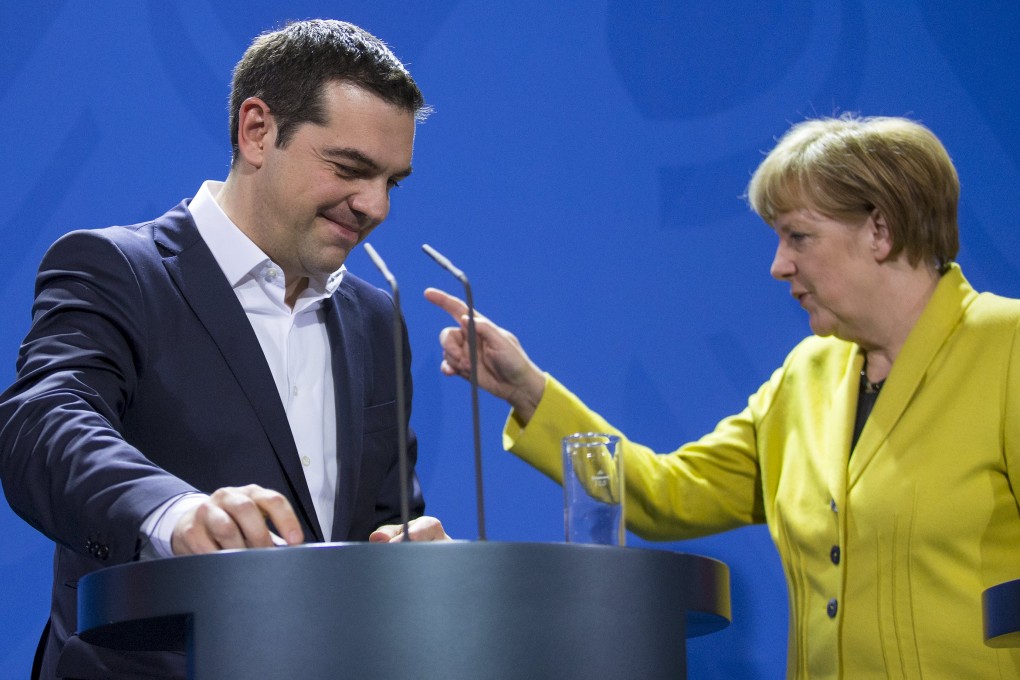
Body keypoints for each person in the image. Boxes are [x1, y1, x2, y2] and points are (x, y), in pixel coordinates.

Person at [427, 115, 1020, 678]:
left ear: (880, 230)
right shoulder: (807, 375)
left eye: (798, 236)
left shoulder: (1007, 348)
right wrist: (528, 390)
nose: (779, 265)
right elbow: (668, 496)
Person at [0, 19, 450, 680]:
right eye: (351, 169)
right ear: (257, 131)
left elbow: (383, 525)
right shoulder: (116, 270)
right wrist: (173, 512)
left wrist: (415, 558)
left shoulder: (377, 319)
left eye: (393, 181)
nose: (374, 206)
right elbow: (43, 422)